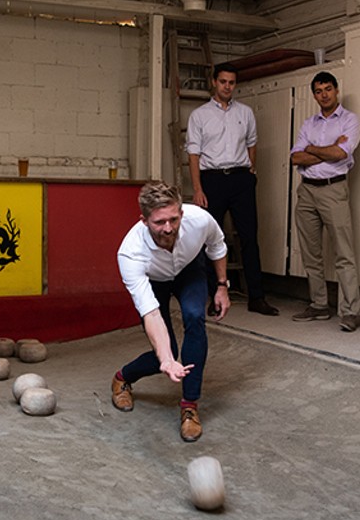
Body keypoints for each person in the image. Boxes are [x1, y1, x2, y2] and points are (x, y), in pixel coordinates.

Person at [110, 181, 230, 442]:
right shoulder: (130, 254)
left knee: (195, 317)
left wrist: (222, 286)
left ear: (182, 213)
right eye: (159, 222)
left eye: (174, 219)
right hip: (155, 281)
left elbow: (217, 246)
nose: (168, 228)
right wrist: (165, 359)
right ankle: (122, 378)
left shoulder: (200, 220)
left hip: (189, 270)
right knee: (163, 354)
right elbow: (151, 313)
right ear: (144, 220)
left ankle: (189, 406)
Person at [186, 62, 280, 317]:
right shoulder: (200, 115)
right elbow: (193, 154)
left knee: (250, 238)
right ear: (214, 82)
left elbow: (252, 143)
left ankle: (257, 298)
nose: (227, 86)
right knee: (209, 240)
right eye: (223, 82)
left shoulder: (246, 113)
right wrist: (197, 188)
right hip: (212, 180)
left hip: (240, 179)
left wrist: (251, 170)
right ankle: (213, 297)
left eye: (231, 82)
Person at [289, 71, 360, 332]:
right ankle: (319, 305)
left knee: (344, 253)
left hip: (334, 190)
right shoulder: (309, 124)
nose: (324, 94)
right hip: (307, 191)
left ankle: (350, 311)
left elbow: (341, 153)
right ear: (314, 95)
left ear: (336, 90)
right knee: (311, 253)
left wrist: (313, 150)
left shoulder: (350, 121)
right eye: (319, 91)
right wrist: (327, 151)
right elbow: (295, 159)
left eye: (328, 89)